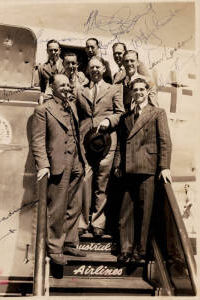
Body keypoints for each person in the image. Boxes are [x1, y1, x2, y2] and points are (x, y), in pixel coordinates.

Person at [114, 77, 172, 264]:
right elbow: (120, 145)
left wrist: (164, 167)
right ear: (131, 92)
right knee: (126, 213)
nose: (138, 92)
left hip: (148, 168)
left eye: (141, 89)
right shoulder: (126, 117)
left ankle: (140, 251)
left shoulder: (157, 113)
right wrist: (117, 164)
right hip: (128, 169)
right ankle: (125, 249)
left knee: (145, 212)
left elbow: (165, 141)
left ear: (147, 91)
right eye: (135, 89)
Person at [31, 74, 86, 265]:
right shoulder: (42, 109)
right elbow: (37, 140)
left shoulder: (71, 106)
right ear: (52, 87)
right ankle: (54, 248)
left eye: (68, 85)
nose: (66, 88)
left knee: (75, 205)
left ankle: (70, 242)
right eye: (61, 85)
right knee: (57, 207)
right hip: (58, 163)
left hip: (77, 162)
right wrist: (43, 164)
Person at [76, 56, 124, 236]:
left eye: (98, 67)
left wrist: (108, 120)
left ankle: (98, 222)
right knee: (85, 179)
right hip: (85, 141)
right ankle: (82, 221)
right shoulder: (80, 90)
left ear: (104, 69)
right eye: (92, 67)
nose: (95, 70)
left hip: (106, 141)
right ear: (88, 70)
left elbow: (120, 113)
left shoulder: (114, 89)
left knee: (102, 182)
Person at [38, 39, 65, 104]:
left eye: (55, 50)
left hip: (63, 100)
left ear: (59, 51)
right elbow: (41, 87)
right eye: (50, 50)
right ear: (47, 51)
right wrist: (41, 96)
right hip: (48, 101)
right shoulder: (41, 68)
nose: (53, 52)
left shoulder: (66, 65)